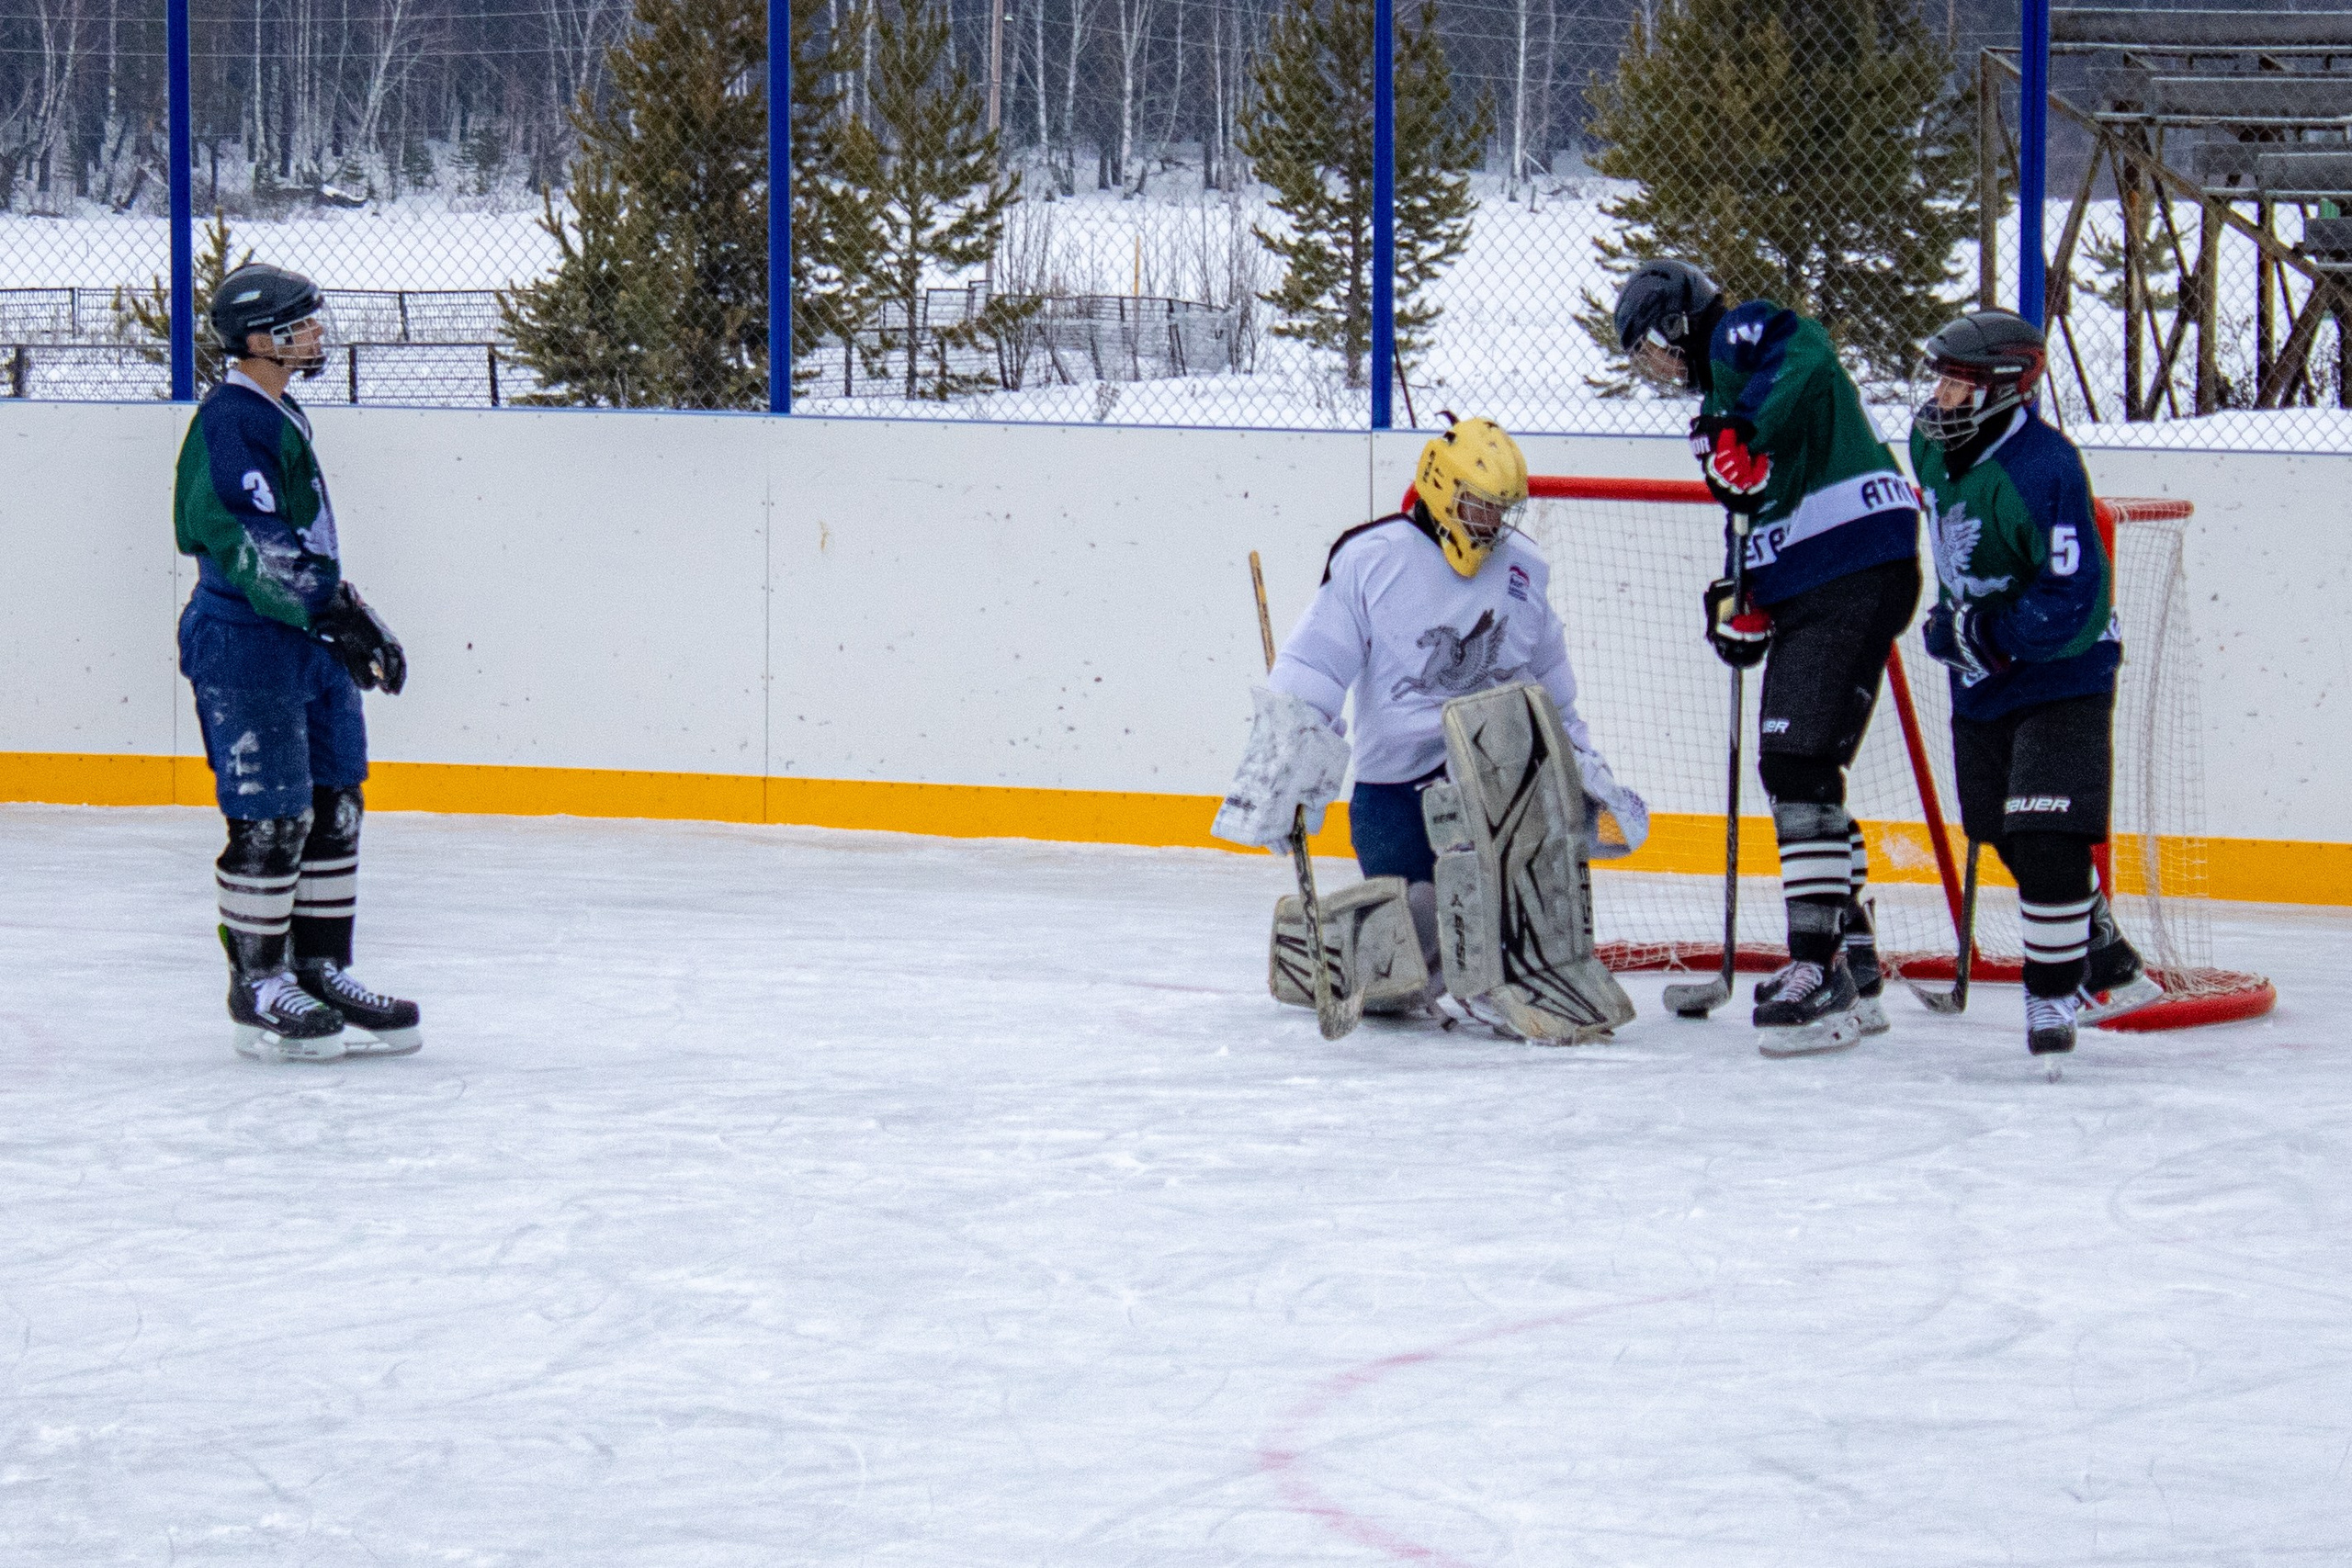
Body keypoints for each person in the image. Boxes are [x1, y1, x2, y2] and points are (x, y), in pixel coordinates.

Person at [1212, 415, 1648, 1032]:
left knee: (1494, 894)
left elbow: (1553, 694)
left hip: (1491, 790)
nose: (1491, 524)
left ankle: (1499, 960)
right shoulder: (1371, 558)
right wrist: (1286, 777)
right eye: (1479, 506)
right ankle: (1344, 951)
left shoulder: (1524, 570)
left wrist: (1583, 768)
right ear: (1441, 489)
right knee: (1416, 942)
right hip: (1394, 799)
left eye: (1501, 510)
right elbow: (1314, 668)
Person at [1613, 259, 1922, 1055]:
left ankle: (1818, 969)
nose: (1655, 366)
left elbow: (1805, 346)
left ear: (1679, 322)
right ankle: (1853, 959)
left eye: (1652, 347)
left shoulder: (1737, 337)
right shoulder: (1719, 403)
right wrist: (1737, 595)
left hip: (1852, 562)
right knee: (1801, 769)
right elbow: (1752, 509)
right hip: (1824, 575)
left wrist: (1741, 427)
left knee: (1795, 760)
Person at [175, 262, 420, 1062]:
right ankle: (258, 982)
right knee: (272, 817)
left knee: (333, 804)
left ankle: (319, 970)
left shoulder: (282, 413)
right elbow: (254, 543)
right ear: (257, 339)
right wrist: (332, 613)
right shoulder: (230, 423)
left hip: (304, 644)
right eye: (299, 323)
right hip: (247, 645)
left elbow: (301, 542)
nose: (316, 333)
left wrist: (351, 615)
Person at [1909, 309, 2162, 1055]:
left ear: (2002, 389)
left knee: (2046, 832)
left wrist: (1982, 633)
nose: (1942, 396)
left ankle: (2052, 998)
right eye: (1941, 380)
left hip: (2064, 671)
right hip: (1982, 682)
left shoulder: (2046, 467)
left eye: (1959, 384)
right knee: (1999, 829)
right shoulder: (1928, 446)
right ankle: (2106, 955)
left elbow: (2072, 598)